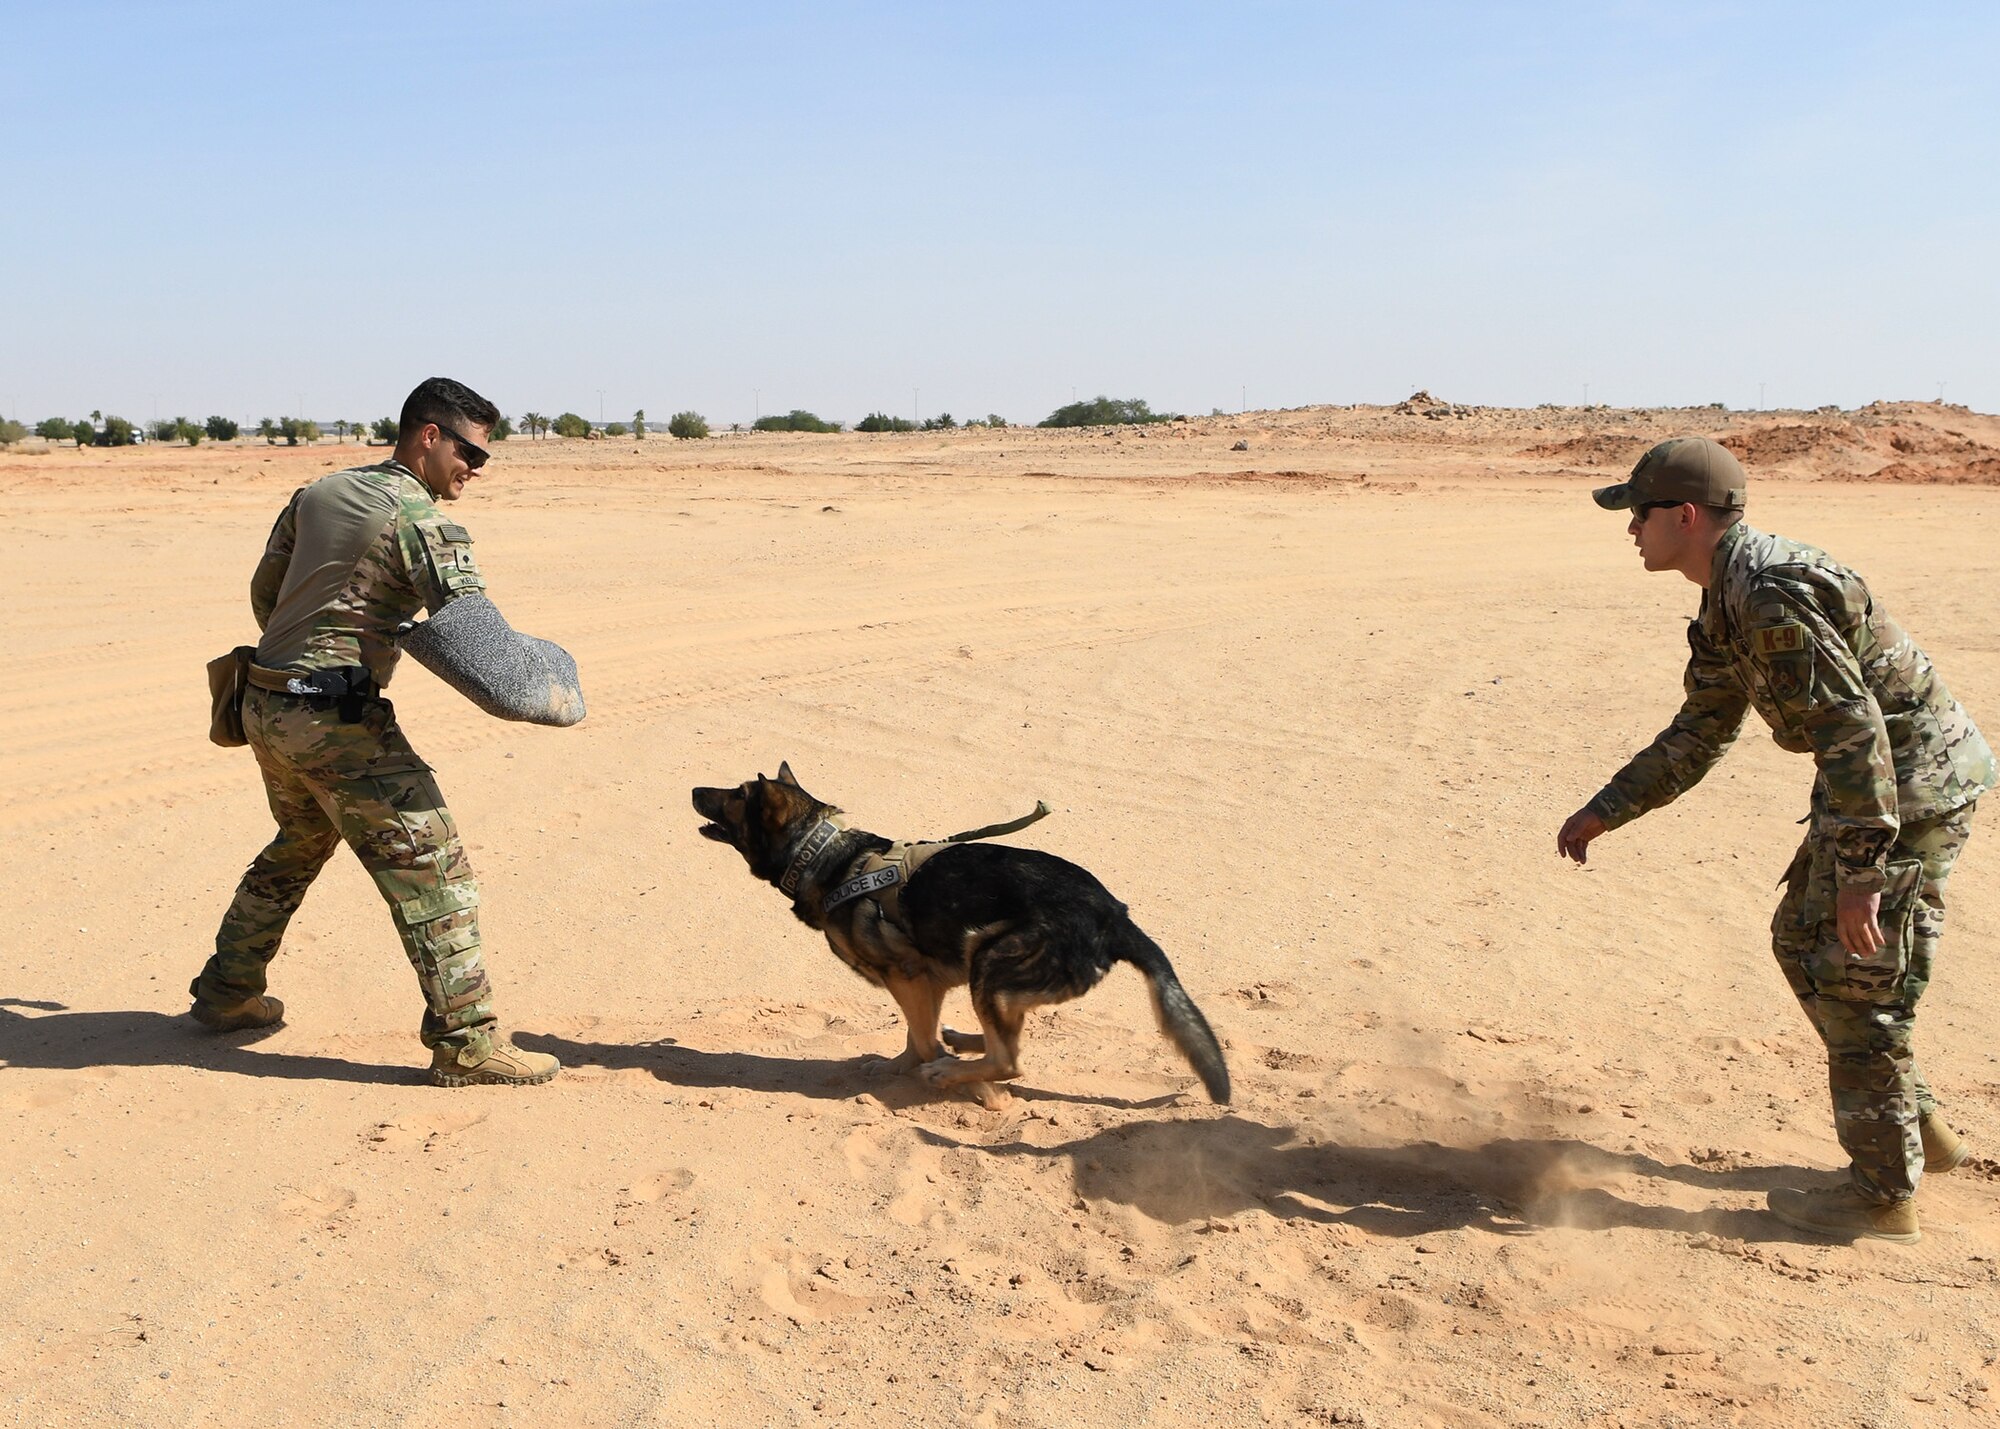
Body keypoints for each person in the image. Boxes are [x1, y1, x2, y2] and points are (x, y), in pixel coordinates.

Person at [1556, 436, 1992, 1243]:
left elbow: (1855, 733)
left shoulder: (1768, 596)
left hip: (1911, 789)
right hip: (1871, 789)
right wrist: (1607, 808)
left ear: (1684, 515)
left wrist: (1862, 869)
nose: (1630, 530)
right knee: (1800, 940)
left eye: (1639, 514)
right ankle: (1915, 1125)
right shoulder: (1726, 594)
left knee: (1859, 978)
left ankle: (1881, 1194)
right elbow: (1703, 727)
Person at [188, 377, 561, 1088]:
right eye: (471, 455)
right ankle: (467, 1040)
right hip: (333, 719)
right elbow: (478, 642)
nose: (474, 472)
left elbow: (267, 595)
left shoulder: (320, 493)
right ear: (429, 436)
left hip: (263, 704)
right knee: (434, 867)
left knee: (299, 842)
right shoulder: (424, 521)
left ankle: (228, 990)